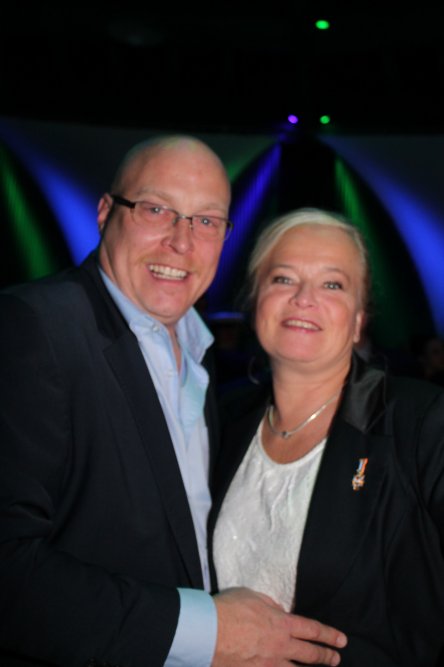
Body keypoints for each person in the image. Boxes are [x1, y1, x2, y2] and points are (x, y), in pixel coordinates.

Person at [0, 138, 347, 667]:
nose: (181, 241)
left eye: (206, 221)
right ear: (105, 213)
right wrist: (208, 630)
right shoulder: (32, 328)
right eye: (155, 209)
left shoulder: (201, 359)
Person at [209, 207, 444, 667]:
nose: (303, 298)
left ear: (358, 321)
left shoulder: (421, 421)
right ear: (256, 301)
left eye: (332, 284)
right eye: (283, 279)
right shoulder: (221, 418)